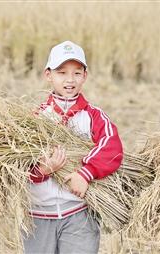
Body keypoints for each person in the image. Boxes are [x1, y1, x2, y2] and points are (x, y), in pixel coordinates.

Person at [24, 40, 123, 253]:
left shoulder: (94, 116)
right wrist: (42, 171)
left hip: (79, 214)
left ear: (85, 76)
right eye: (62, 72)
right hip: (38, 216)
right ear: (48, 75)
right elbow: (18, 166)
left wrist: (85, 174)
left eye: (77, 73)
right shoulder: (34, 119)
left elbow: (112, 148)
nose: (70, 80)